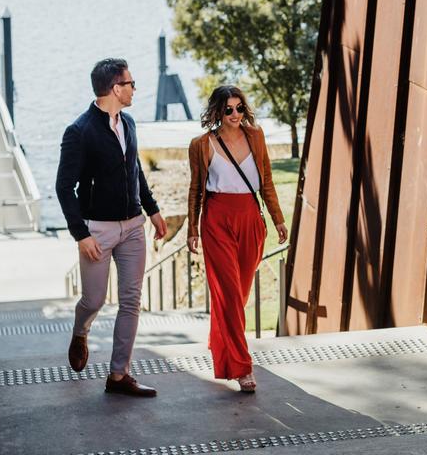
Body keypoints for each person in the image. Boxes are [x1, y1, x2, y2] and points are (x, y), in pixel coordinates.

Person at [56, 58, 168, 397]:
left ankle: (119, 376)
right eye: (131, 83)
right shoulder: (79, 132)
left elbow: (134, 170)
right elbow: (64, 187)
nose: (135, 89)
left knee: (131, 300)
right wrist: (81, 234)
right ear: (115, 89)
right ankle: (81, 330)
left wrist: (152, 210)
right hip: (98, 231)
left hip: (133, 226)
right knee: (93, 300)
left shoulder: (129, 122)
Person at [186, 85, 287, 393]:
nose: (234, 114)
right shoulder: (201, 144)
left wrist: (278, 218)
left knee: (238, 295)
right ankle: (242, 368)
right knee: (229, 294)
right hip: (217, 219)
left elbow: (266, 180)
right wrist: (192, 228)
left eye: (239, 108)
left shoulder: (256, 136)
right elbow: (196, 190)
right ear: (218, 111)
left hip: (249, 218)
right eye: (228, 109)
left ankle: (220, 340)